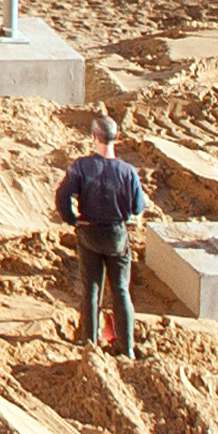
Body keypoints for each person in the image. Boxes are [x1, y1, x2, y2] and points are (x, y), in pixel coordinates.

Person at [53, 112, 148, 357]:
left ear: (94, 137)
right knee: (120, 289)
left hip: (89, 232)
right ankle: (127, 347)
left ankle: (89, 341)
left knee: (91, 288)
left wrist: (73, 219)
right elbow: (138, 207)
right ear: (116, 138)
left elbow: (62, 195)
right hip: (116, 234)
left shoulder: (82, 166)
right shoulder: (127, 172)